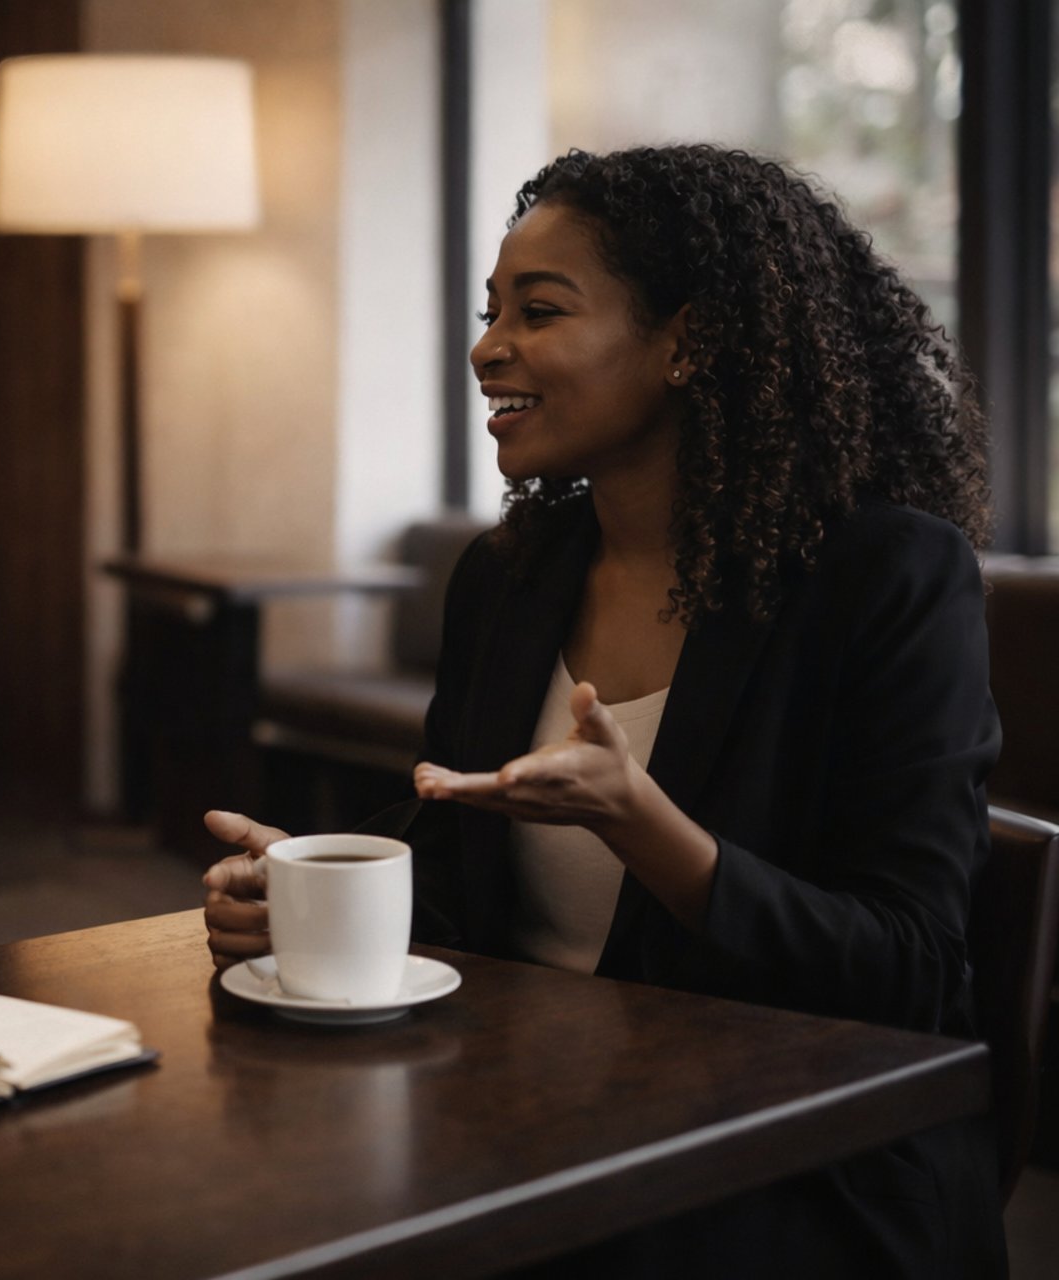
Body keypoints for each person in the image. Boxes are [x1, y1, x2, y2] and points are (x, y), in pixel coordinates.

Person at [201, 144, 1002, 1276]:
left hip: (795, 1161)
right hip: (531, 1119)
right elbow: (459, 850)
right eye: (490, 312)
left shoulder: (887, 578)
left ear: (688, 339)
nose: (489, 350)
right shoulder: (511, 572)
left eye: (539, 310)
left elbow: (908, 968)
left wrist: (648, 825)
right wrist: (316, 889)